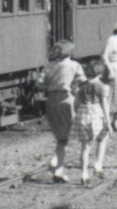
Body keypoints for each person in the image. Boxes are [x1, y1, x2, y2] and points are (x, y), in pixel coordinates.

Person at [42, 40, 83, 183]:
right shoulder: (74, 65)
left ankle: (55, 161)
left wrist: (50, 85)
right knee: (65, 138)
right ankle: (58, 171)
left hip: (51, 100)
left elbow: (39, 83)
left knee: (60, 136)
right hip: (67, 100)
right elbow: (82, 81)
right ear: (70, 52)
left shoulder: (48, 66)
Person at [72, 57, 113, 183]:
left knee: (85, 146)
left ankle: (84, 174)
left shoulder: (81, 86)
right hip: (96, 114)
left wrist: (78, 113)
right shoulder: (102, 87)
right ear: (101, 73)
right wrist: (109, 122)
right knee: (102, 139)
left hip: (83, 114)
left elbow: (76, 103)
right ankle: (98, 165)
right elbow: (105, 106)